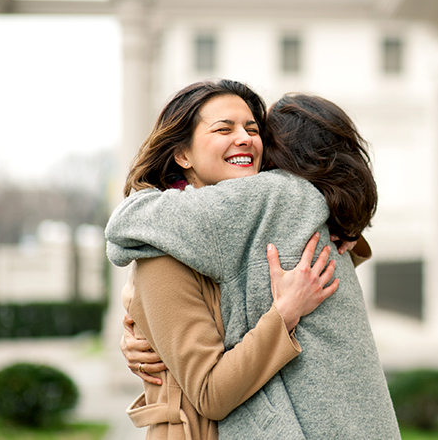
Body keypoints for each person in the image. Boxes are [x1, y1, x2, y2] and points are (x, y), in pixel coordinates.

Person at [106, 84, 401, 439]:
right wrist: (285, 314)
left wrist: (342, 225)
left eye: (252, 129)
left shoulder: (259, 228)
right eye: (224, 128)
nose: (244, 138)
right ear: (183, 154)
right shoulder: (161, 257)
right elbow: (209, 393)